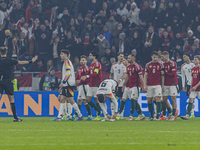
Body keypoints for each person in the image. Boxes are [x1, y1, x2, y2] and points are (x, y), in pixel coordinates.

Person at [0, 47, 38, 122]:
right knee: (11, 99)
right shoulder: (10, 60)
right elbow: (20, 62)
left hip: (0, 81)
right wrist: (30, 61)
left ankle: (16, 117)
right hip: (8, 81)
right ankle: (15, 117)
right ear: (6, 52)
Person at [50, 50, 83, 121]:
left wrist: (63, 82)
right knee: (61, 99)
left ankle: (79, 115)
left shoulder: (67, 62)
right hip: (66, 84)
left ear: (66, 55)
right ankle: (59, 117)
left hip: (68, 84)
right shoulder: (65, 62)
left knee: (71, 100)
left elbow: (68, 73)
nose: (60, 55)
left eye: (62, 54)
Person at [122, 54, 145, 121]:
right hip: (130, 86)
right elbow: (127, 77)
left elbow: (141, 77)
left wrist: (143, 86)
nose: (128, 59)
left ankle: (131, 116)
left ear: (133, 58)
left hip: (136, 85)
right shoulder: (129, 67)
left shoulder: (137, 66)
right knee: (134, 101)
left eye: (129, 58)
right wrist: (124, 85)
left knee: (133, 100)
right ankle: (141, 115)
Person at [81, 51, 102, 121]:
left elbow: (95, 73)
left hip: (96, 84)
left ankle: (98, 116)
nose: (89, 57)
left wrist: (86, 76)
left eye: (90, 55)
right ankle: (98, 110)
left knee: (96, 99)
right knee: (87, 99)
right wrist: (83, 76)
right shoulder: (92, 64)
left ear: (94, 56)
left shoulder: (97, 64)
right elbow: (90, 72)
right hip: (91, 84)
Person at [143, 51, 164, 121]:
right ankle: (151, 116)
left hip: (158, 85)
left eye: (156, 57)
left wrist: (163, 85)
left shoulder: (160, 65)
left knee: (158, 98)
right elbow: (145, 75)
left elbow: (162, 76)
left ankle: (157, 116)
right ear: (152, 57)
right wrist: (144, 85)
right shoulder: (148, 65)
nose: (155, 59)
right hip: (150, 85)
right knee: (149, 100)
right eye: (154, 57)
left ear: (158, 58)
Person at [73, 55, 93, 121]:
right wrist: (76, 80)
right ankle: (87, 115)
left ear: (86, 61)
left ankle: (77, 115)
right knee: (82, 101)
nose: (82, 61)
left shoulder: (87, 68)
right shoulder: (80, 68)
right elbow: (77, 77)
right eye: (81, 60)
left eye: (83, 60)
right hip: (80, 86)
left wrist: (80, 80)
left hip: (84, 86)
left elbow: (89, 78)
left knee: (81, 100)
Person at [181, 55, 200, 120]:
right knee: (190, 100)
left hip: (199, 88)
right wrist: (191, 87)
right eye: (194, 59)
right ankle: (187, 115)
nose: (194, 61)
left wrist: (196, 86)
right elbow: (192, 79)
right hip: (193, 89)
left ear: (199, 61)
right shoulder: (193, 68)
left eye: (196, 59)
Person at [161, 51, 179, 121]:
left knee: (173, 99)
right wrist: (162, 85)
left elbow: (173, 75)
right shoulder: (162, 64)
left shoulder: (172, 63)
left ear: (167, 56)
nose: (162, 58)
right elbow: (162, 75)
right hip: (165, 84)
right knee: (164, 100)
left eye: (163, 56)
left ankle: (173, 115)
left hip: (173, 84)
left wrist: (165, 72)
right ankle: (170, 113)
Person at [181, 53, 195, 118]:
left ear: (188, 57)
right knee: (190, 99)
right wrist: (183, 85)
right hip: (189, 84)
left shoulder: (194, 64)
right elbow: (183, 77)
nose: (183, 58)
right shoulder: (183, 66)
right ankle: (192, 113)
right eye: (183, 57)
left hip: (196, 84)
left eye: (184, 57)